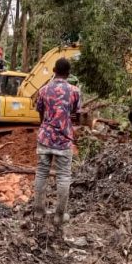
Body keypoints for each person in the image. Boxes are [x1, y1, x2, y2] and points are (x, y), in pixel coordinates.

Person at [33, 58, 81, 227]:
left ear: (53, 69)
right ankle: (59, 216)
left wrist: (45, 127)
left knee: (41, 174)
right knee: (63, 177)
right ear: (69, 73)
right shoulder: (75, 91)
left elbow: (40, 111)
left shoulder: (44, 90)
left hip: (45, 137)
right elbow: (75, 113)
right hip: (64, 140)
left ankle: (38, 213)